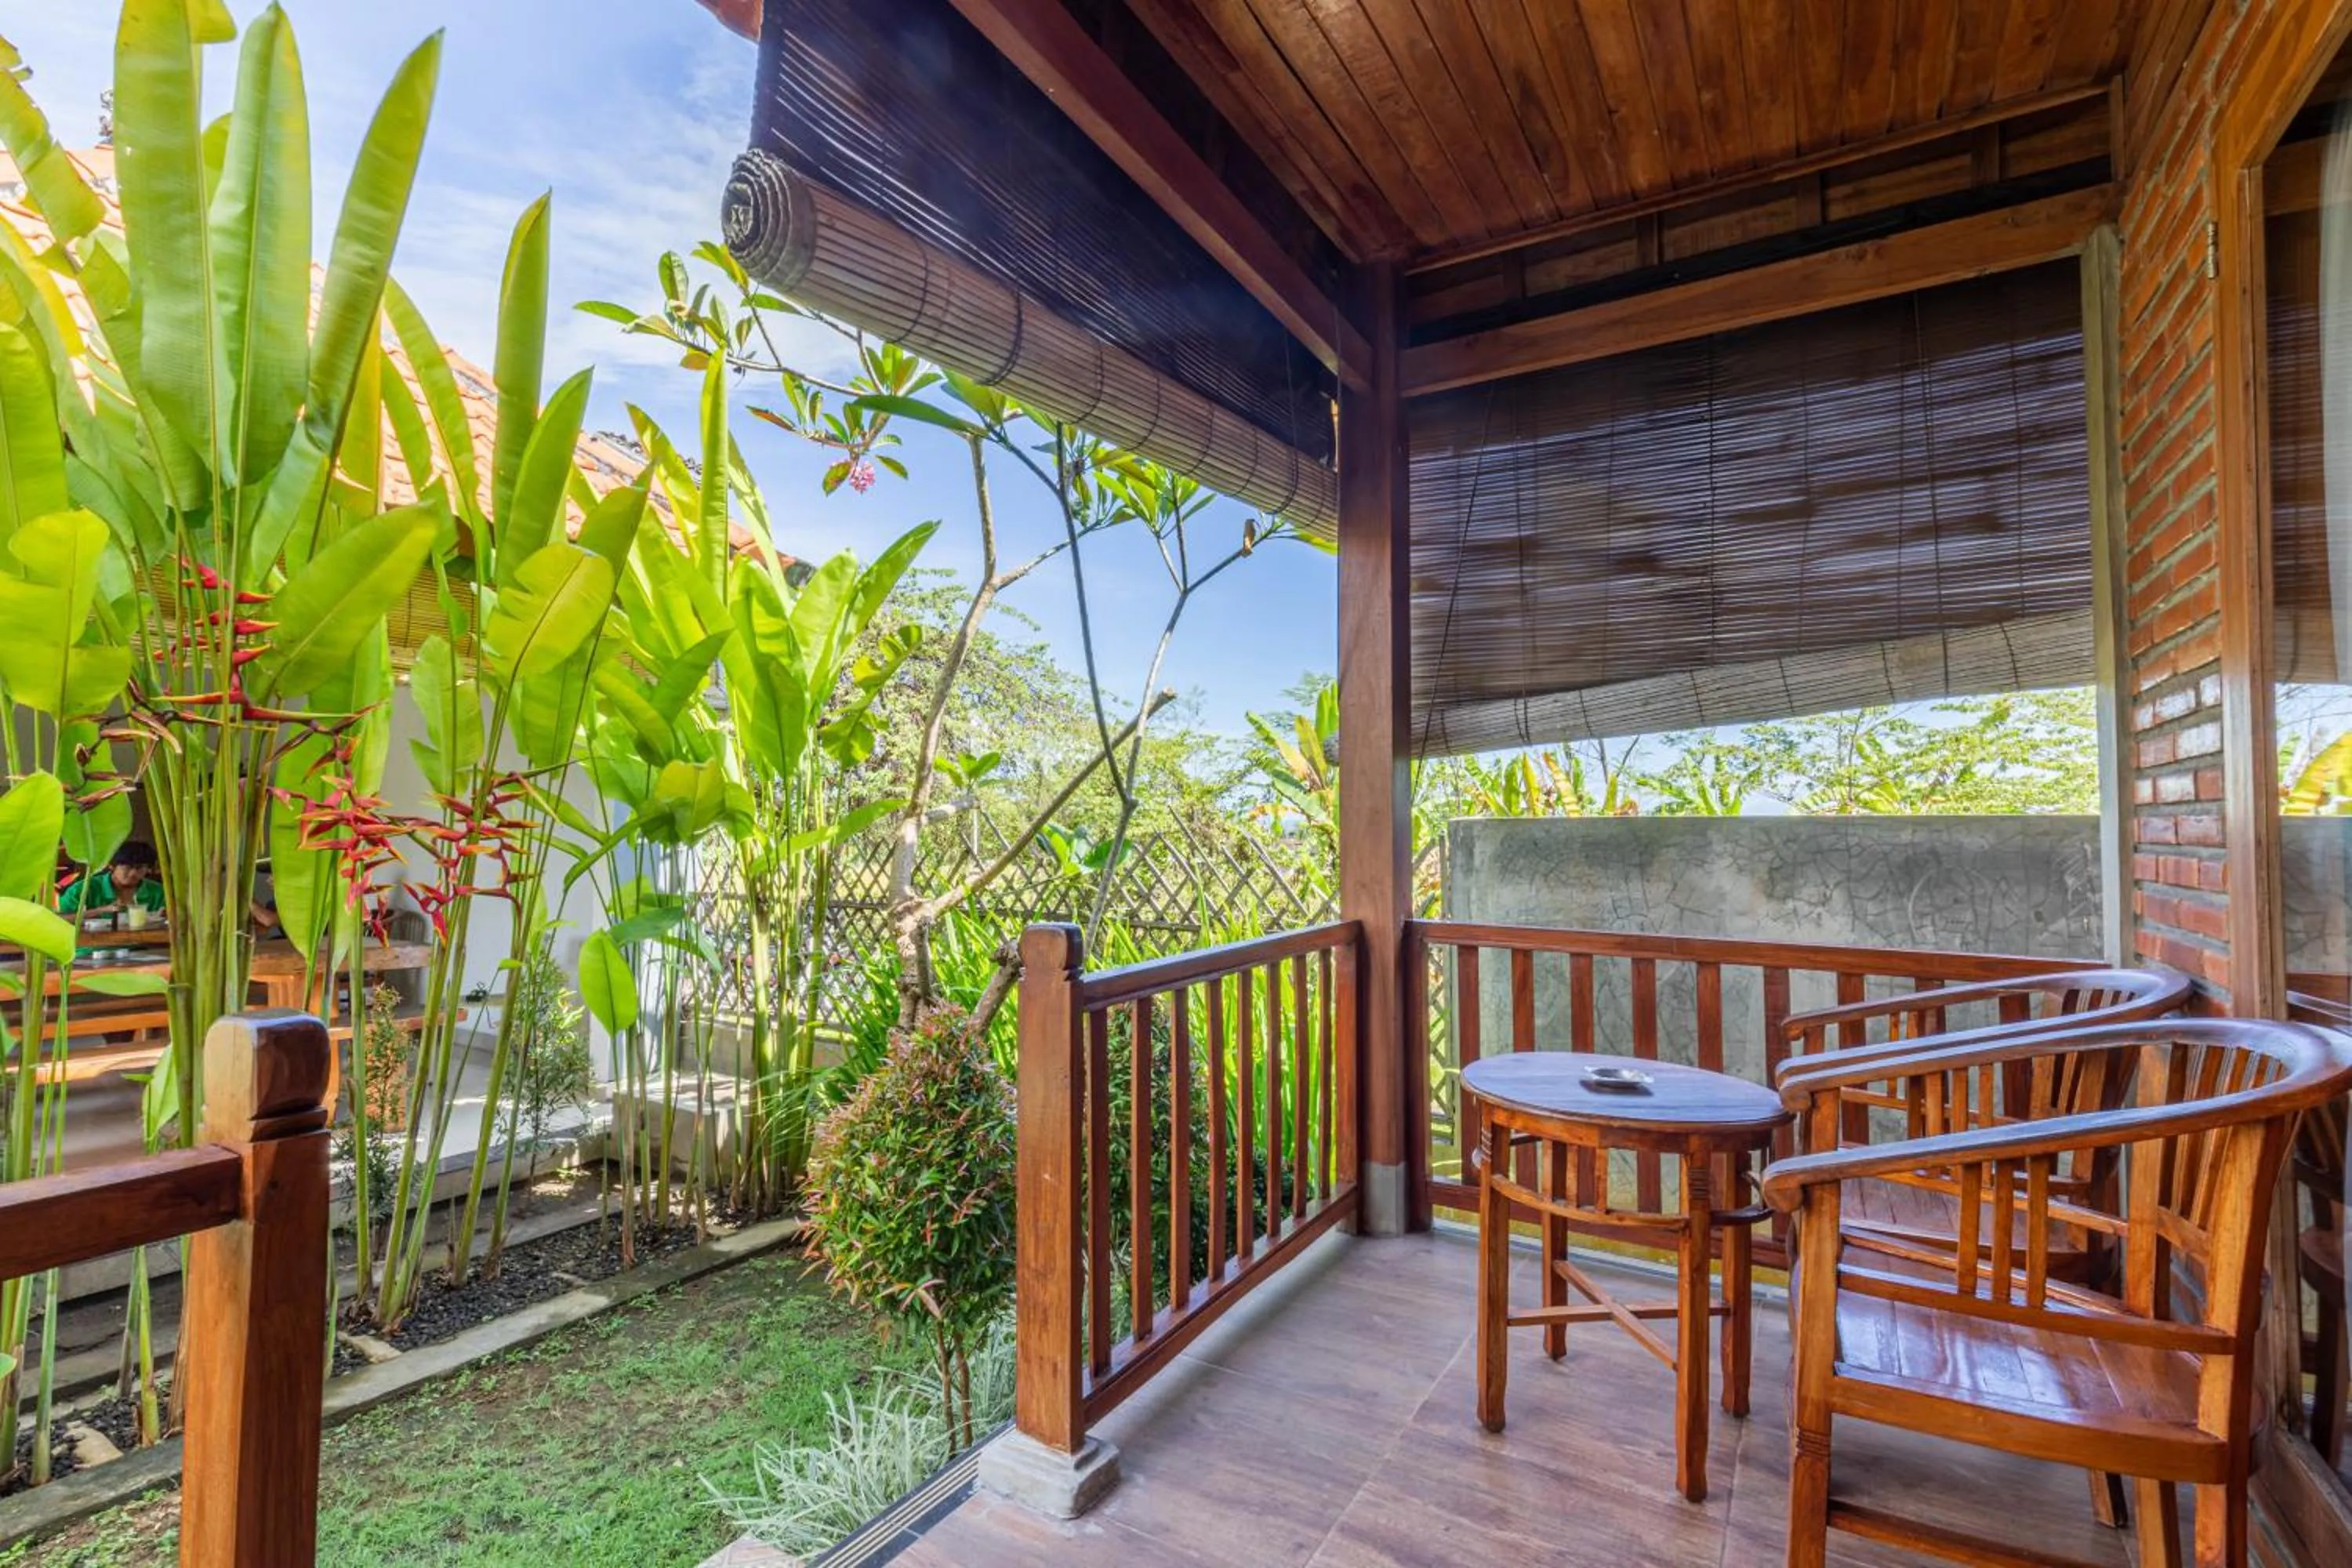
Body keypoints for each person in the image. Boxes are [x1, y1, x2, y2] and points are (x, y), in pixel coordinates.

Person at [60, 841, 165, 920]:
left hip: (145, 947)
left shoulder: (157, 891)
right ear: (112, 866)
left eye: (140, 868)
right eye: (128, 867)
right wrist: (101, 911)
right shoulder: (82, 889)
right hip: (93, 948)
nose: (133, 873)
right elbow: (58, 919)